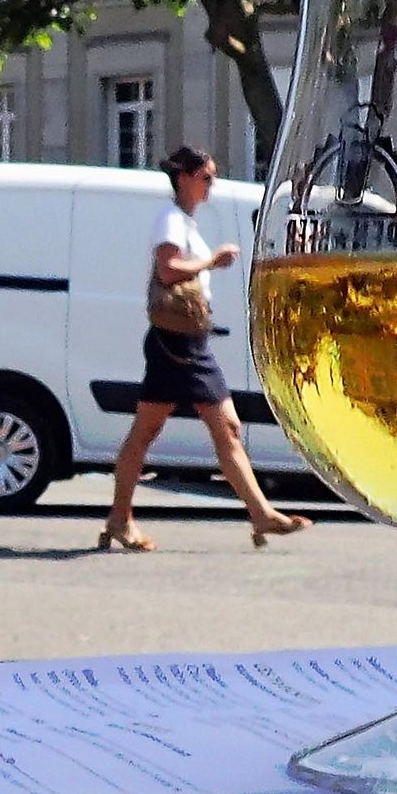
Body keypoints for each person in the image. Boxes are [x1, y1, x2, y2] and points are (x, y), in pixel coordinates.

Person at [101, 145, 312, 552]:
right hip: (176, 344)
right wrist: (212, 262)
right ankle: (121, 519)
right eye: (206, 178)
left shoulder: (184, 221)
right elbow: (167, 269)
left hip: (186, 341)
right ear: (185, 178)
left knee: (204, 429)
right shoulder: (171, 221)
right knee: (157, 430)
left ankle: (259, 514)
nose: (211, 185)